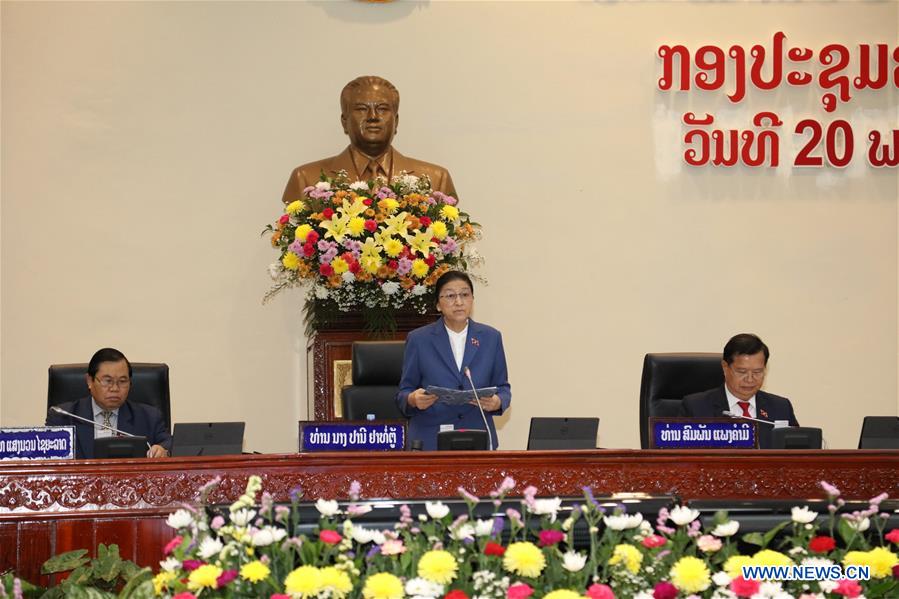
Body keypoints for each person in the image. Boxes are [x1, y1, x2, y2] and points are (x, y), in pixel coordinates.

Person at [282, 76, 457, 202]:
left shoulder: (436, 180)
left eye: (382, 108)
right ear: (344, 121)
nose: (373, 116)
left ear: (396, 121)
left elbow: (451, 247)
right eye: (361, 109)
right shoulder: (305, 179)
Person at [397, 271, 511, 450]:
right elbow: (404, 392)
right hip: (430, 439)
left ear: (472, 299)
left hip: (477, 437)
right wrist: (413, 399)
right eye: (450, 296)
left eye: (465, 295)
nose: (459, 302)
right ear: (438, 304)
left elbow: (503, 387)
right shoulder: (419, 339)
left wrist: (497, 402)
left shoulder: (491, 337)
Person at [46, 348, 171, 459]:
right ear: (89, 381)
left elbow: (169, 444)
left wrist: (163, 450)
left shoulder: (149, 417)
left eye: (122, 381)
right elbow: (46, 455)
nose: (115, 388)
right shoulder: (63, 417)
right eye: (107, 381)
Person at [682, 333, 799, 448]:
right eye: (742, 372)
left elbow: (799, 457)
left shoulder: (781, 408)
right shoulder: (696, 408)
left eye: (757, 372)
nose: (750, 379)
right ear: (725, 367)